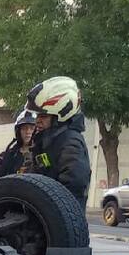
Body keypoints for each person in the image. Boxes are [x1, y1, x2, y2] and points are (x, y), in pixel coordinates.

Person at [23, 76, 91, 206]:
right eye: (37, 115)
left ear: (62, 113)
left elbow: (72, 186)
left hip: (59, 223)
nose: (37, 120)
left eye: (43, 116)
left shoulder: (70, 143)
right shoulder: (46, 141)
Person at [0, 109, 37, 183]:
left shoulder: (42, 154)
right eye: (24, 128)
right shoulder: (5, 156)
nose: (28, 132)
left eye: (32, 128)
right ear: (18, 131)